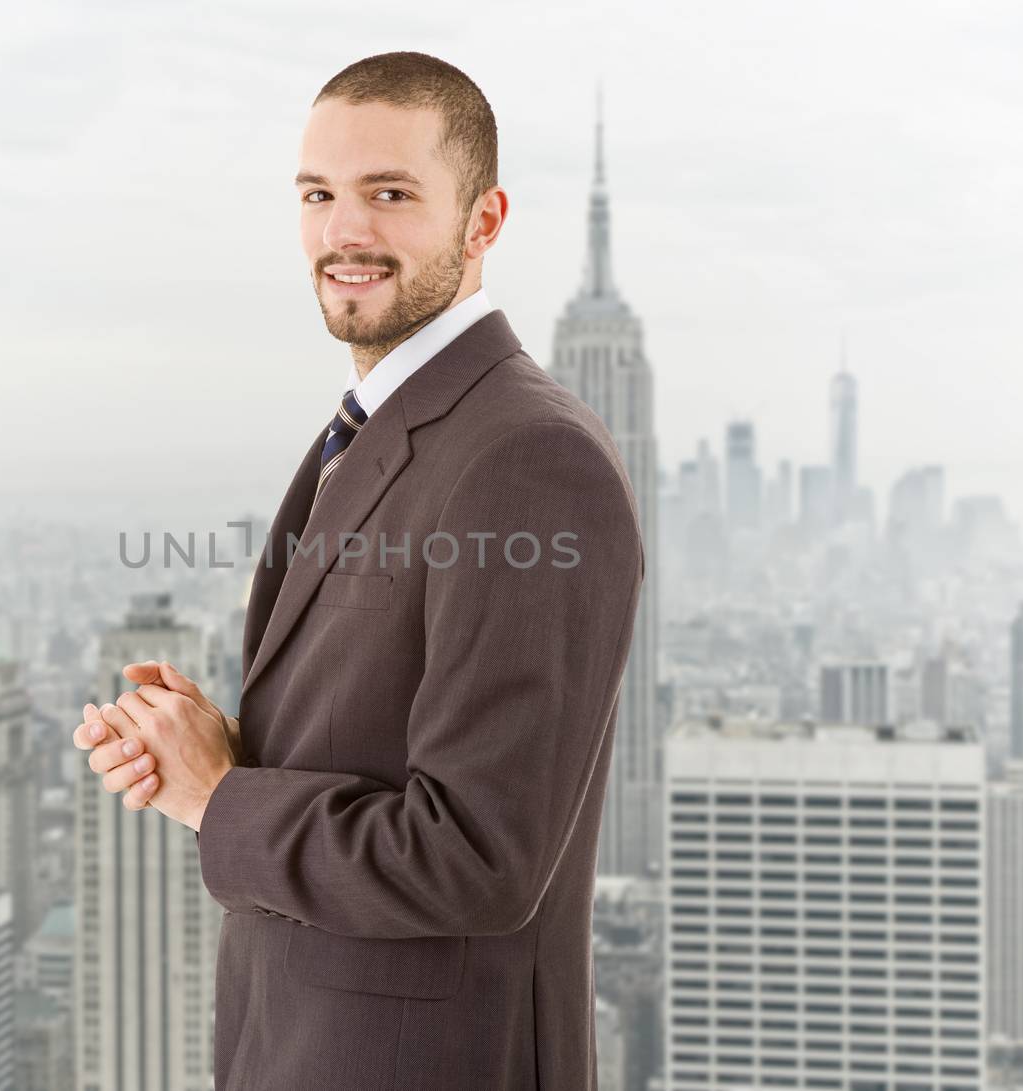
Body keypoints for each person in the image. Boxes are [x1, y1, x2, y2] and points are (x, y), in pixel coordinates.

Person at [73, 50, 644, 1090]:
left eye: (390, 194)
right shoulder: (388, 425)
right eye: (318, 195)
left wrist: (219, 799)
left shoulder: (526, 456)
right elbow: (378, 742)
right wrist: (208, 751)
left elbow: (476, 854)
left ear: (482, 221)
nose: (345, 231)